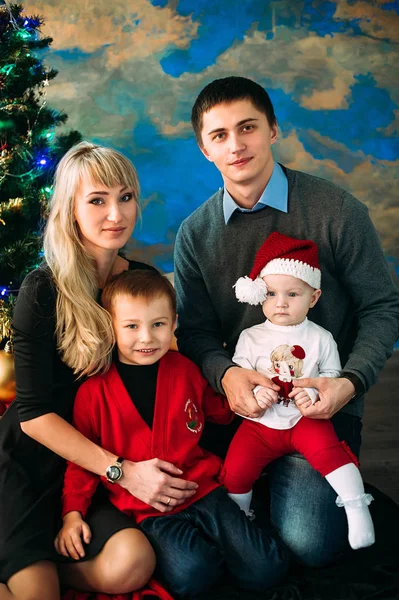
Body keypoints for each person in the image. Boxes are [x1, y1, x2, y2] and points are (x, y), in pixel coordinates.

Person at [174, 76, 399, 566]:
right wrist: (227, 375)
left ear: (273, 130)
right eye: (219, 135)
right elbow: (193, 332)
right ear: (204, 149)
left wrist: (351, 383)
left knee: (307, 544)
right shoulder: (195, 234)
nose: (236, 146)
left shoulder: (335, 209)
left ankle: (329, 480)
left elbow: (383, 307)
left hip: (319, 407)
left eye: (248, 127)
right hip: (242, 411)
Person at [0, 141, 198, 600]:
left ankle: (43, 568)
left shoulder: (140, 281)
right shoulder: (42, 290)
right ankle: (32, 572)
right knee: (37, 594)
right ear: (70, 209)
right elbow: (32, 415)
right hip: (32, 463)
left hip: (88, 470)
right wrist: (122, 471)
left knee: (133, 562)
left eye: (125, 197)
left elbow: (166, 371)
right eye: (97, 200)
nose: (116, 214)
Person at [56, 269, 290, 599]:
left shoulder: (185, 370)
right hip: (149, 512)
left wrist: (254, 389)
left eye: (158, 324)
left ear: (174, 322)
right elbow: (81, 462)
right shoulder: (93, 393)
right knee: (194, 574)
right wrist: (72, 514)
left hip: (205, 491)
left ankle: (233, 548)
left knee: (269, 568)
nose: (147, 338)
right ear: (110, 325)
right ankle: (210, 557)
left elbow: (222, 411)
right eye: (132, 326)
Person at [223, 231, 375, 551]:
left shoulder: (321, 338)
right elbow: (241, 378)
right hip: (261, 425)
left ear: (314, 298)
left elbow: (331, 376)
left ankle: (356, 507)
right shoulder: (250, 337)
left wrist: (317, 395)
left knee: (330, 454)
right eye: (272, 293)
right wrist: (255, 394)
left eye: (293, 294)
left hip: (304, 420)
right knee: (235, 469)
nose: (281, 303)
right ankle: (239, 520)